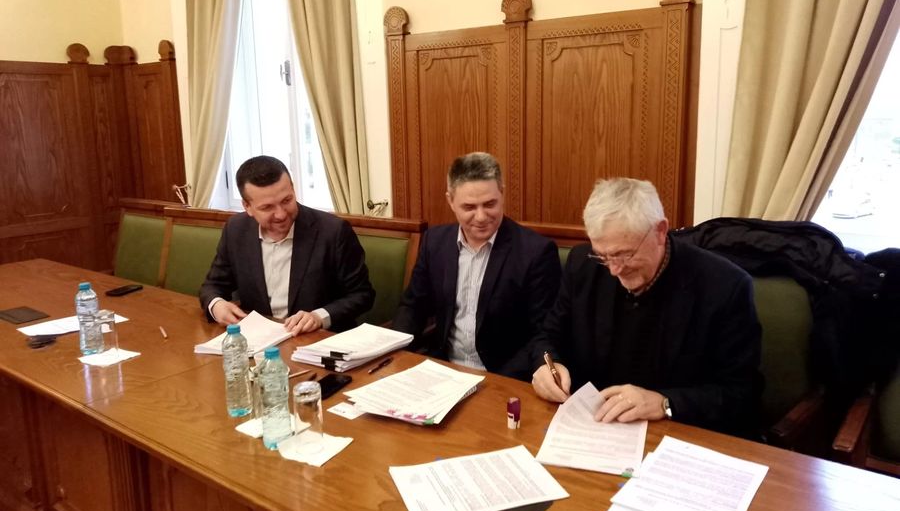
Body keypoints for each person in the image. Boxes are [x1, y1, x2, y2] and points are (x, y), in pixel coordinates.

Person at [531, 177, 762, 436]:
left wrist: (665, 403)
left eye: (624, 254)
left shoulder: (724, 286)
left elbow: (741, 393)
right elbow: (548, 335)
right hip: (594, 429)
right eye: (604, 256)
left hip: (677, 435)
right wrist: (546, 365)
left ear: (660, 231)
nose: (614, 269)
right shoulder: (583, 264)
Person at [393, 152, 561, 380]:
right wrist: (395, 354)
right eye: (469, 207)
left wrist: (495, 381)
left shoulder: (536, 252)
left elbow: (542, 333)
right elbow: (413, 305)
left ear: (502, 194)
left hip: (504, 376)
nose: (481, 217)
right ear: (450, 201)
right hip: (442, 369)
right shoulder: (435, 242)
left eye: (490, 204)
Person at [199, 155, 374, 335]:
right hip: (258, 338)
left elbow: (362, 295)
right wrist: (216, 305)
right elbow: (213, 286)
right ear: (247, 206)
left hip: (317, 339)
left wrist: (319, 317)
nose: (281, 214)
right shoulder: (236, 230)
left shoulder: (333, 231)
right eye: (267, 207)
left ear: (293, 189)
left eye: (286, 200)